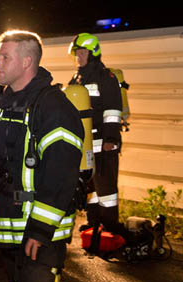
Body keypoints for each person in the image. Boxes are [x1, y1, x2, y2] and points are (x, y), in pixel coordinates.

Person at [0, 30, 83, 282]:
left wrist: (40, 229)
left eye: (5, 56)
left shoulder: (53, 106)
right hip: (10, 225)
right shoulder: (7, 103)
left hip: (38, 230)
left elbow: (60, 176)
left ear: (27, 62)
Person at [68, 33, 123, 235]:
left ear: (93, 53)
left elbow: (113, 110)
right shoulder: (77, 78)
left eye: (82, 52)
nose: (78, 57)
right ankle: (94, 223)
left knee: (106, 190)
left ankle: (110, 226)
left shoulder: (105, 77)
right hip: (87, 145)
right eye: (77, 53)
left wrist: (111, 139)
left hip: (104, 144)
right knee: (90, 189)